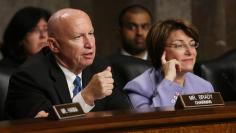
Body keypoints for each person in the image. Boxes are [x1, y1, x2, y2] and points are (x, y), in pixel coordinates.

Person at [5, 8, 131, 119]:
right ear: (54, 45)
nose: (89, 44)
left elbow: (123, 114)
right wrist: (87, 97)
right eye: (78, 37)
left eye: (91, 34)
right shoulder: (29, 77)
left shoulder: (99, 66)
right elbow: (46, 124)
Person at [124, 19, 214, 109]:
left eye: (192, 44)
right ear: (161, 51)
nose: (190, 52)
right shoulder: (138, 88)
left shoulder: (204, 86)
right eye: (179, 45)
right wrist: (171, 81)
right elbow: (155, 120)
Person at [0, 6, 50, 120]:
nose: (43, 36)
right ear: (20, 38)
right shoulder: (6, 72)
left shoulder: (57, 68)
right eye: (34, 30)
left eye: (46, 29)